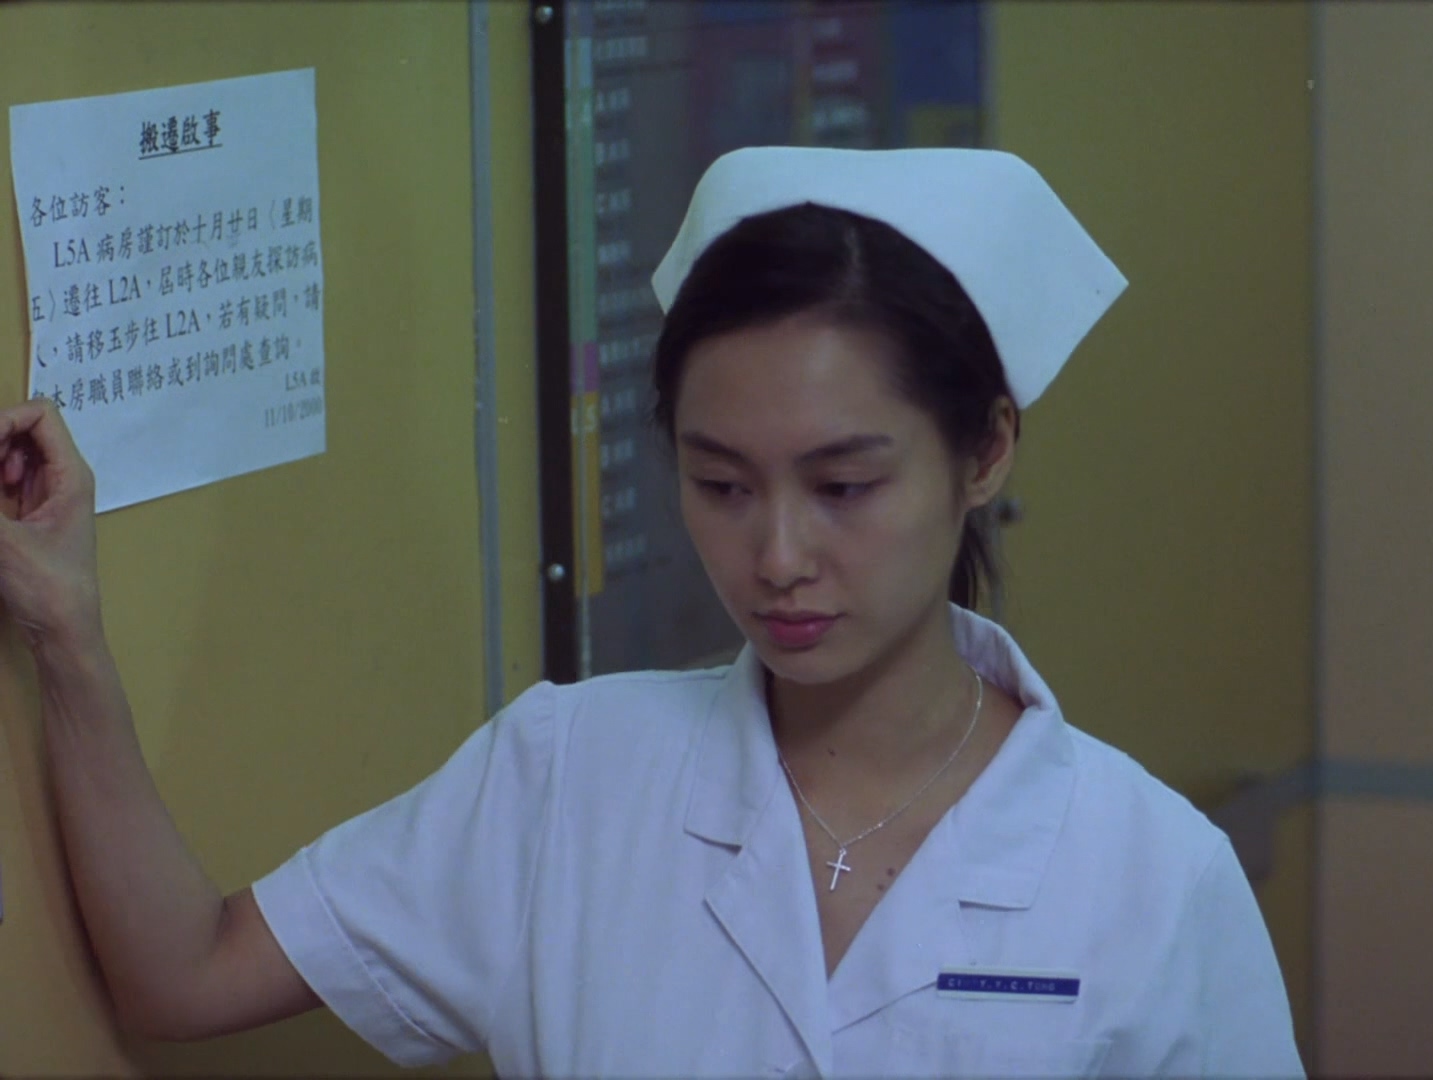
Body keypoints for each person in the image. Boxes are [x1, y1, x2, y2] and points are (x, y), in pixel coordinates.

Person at [0, 146, 1304, 1077]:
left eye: (845, 485)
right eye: (720, 483)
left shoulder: (1151, 877)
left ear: (986, 451)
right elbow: (184, 973)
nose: (777, 556)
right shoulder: (567, 777)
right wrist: (66, 635)